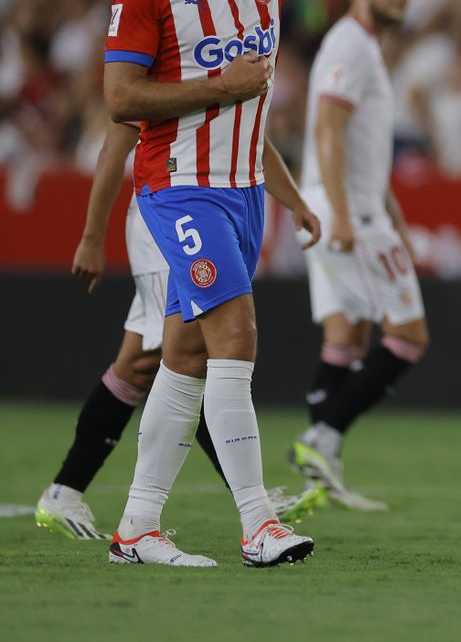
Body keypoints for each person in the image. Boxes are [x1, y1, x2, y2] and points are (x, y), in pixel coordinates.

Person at [101, 0, 461, 568]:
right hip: (180, 188)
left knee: (186, 355)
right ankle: (258, 523)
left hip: (243, 194)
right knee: (236, 335)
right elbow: (121, 99)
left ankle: (136, 527)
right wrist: (220, 85)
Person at [36, 120, 325, 540]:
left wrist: (294, 201)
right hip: (169, 222)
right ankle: (250, 497)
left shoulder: (230, 85)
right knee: (189, 355)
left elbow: (253, 139)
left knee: (142, 362)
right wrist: (92, 236)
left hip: (207, 215)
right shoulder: (165, 84)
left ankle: (66, 492)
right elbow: (114, 147)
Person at [289, 0, 425, 511]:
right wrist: (344, 213)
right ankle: (322, 439)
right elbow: (327, 127)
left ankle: (320, 477)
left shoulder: (363, 47)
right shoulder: (350, 43)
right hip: (344, 209)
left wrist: (393, 213)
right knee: (408, 336)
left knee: (346, 339)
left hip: (346, 203)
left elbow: (362, 147)